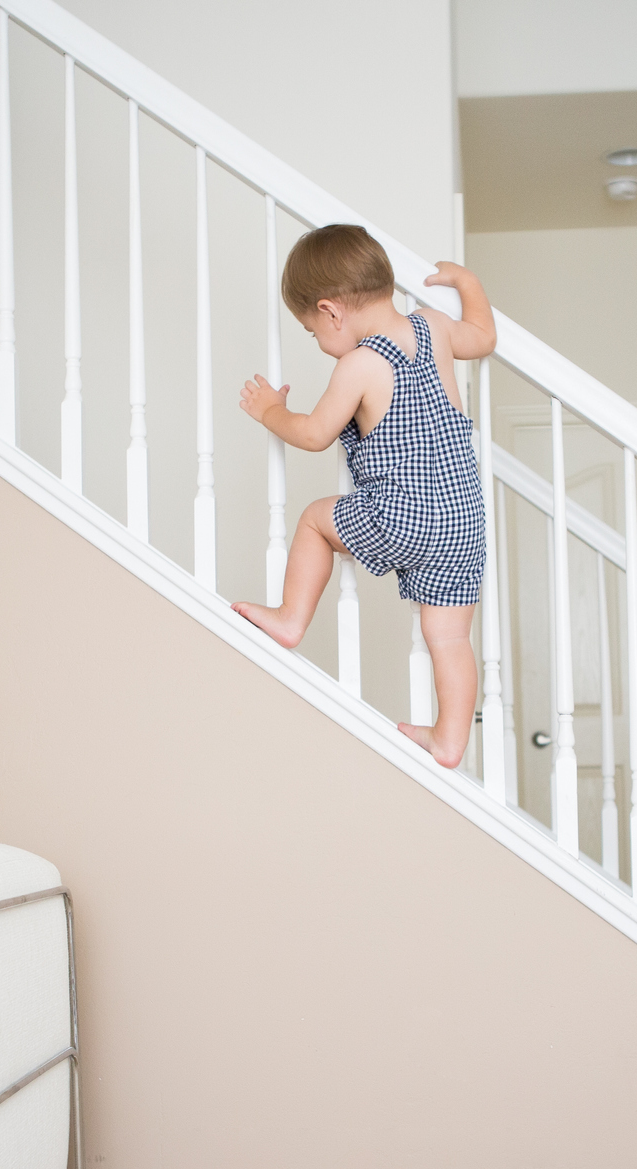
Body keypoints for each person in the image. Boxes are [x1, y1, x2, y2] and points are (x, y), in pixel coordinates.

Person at [231, 224, 497, 769]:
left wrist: (269, 411)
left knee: (312, 520)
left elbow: (312, 434)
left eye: (311, 332)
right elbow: (484, 336)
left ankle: (290, 618)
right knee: (448, 637)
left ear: (331, 312)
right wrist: (468, 282)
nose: (318, 341)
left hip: (404, 514)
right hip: (463, 518)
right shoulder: (434, 328)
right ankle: (450, 741)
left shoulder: (359, 364)